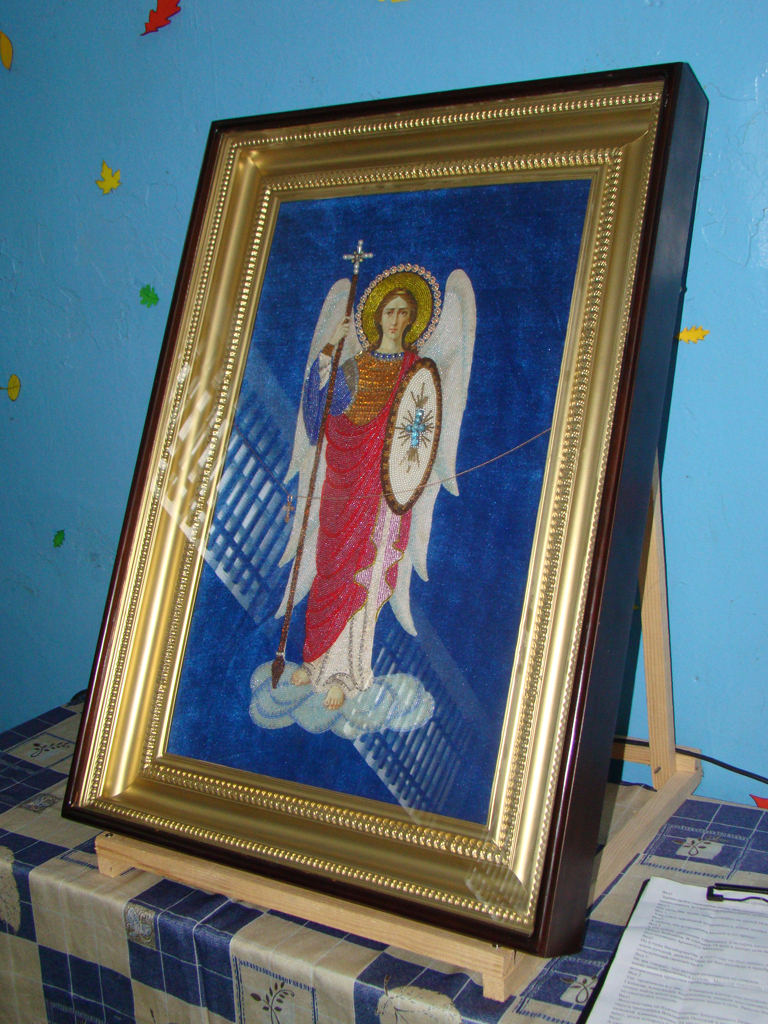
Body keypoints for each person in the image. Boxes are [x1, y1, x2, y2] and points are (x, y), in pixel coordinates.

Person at [291, 288, 422, 710]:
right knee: (331, 565)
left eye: (403, 312)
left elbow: (418, 435)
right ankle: (314, 661)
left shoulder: (415, 371)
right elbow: (318, 412)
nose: (395, 319)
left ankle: (345, 672)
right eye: (389, 311)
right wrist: (331, 344)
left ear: (411, 319)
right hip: (343, 484)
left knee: (362, 570)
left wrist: (400, 474)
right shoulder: (356, 367)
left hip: (379, 492)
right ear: (377, 317)